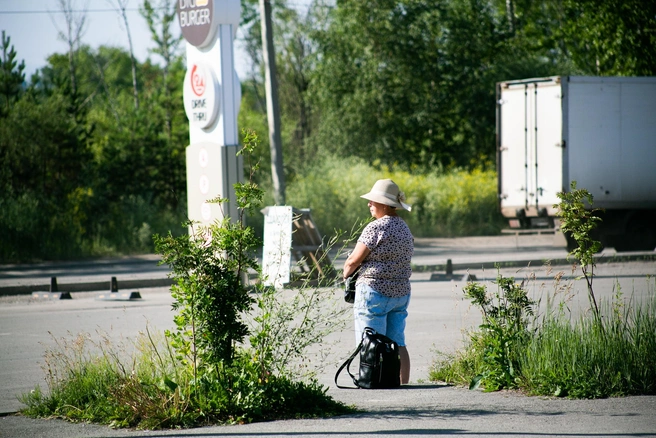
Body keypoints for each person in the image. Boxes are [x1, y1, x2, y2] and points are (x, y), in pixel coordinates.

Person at [342, 179, 414, 384]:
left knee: (369, 340)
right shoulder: (404, 228)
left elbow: (354, 260)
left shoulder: (375, 228)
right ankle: (402, 382)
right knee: (398, 341)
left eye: (373, 201)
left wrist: (345, 273)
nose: (369, 204)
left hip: (374, 292)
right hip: (401, 292)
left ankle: (372, 380)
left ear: (385, 204)